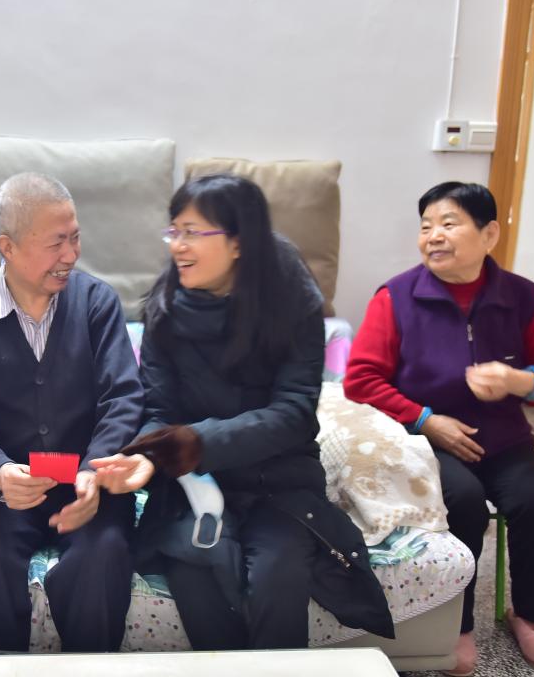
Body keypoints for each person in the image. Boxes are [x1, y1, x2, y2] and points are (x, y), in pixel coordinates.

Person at [92, 174, 393, 650]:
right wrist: (149, 457)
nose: (178, 246)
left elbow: (293, 414)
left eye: (193, 232)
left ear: (238, 242)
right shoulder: (165, 309)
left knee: (278, 578)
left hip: (278, 480)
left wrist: (194, 443)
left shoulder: (292, 303)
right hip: (192, 485)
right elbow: (159, 408)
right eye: (174, 231)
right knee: (197, 576)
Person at [343, 182, 534, 676]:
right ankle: (457, 622)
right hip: (426, 443)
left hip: (504, 440)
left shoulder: (522, 296)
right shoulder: (396, 296)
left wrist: (520, 380)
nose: (433, 236)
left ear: (489, 234)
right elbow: (360, 379)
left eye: (449, 224)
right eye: (426, 226)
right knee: (462, 502)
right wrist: (425, 420)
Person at [0, 172, 143, 652]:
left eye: (75, 239)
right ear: (7, 247)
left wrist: (93, 471)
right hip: (7, 489)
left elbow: (123, 397)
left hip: (86, 484)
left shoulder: (96, 303)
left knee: (103, 556)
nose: (70, 255)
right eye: (55, 243)